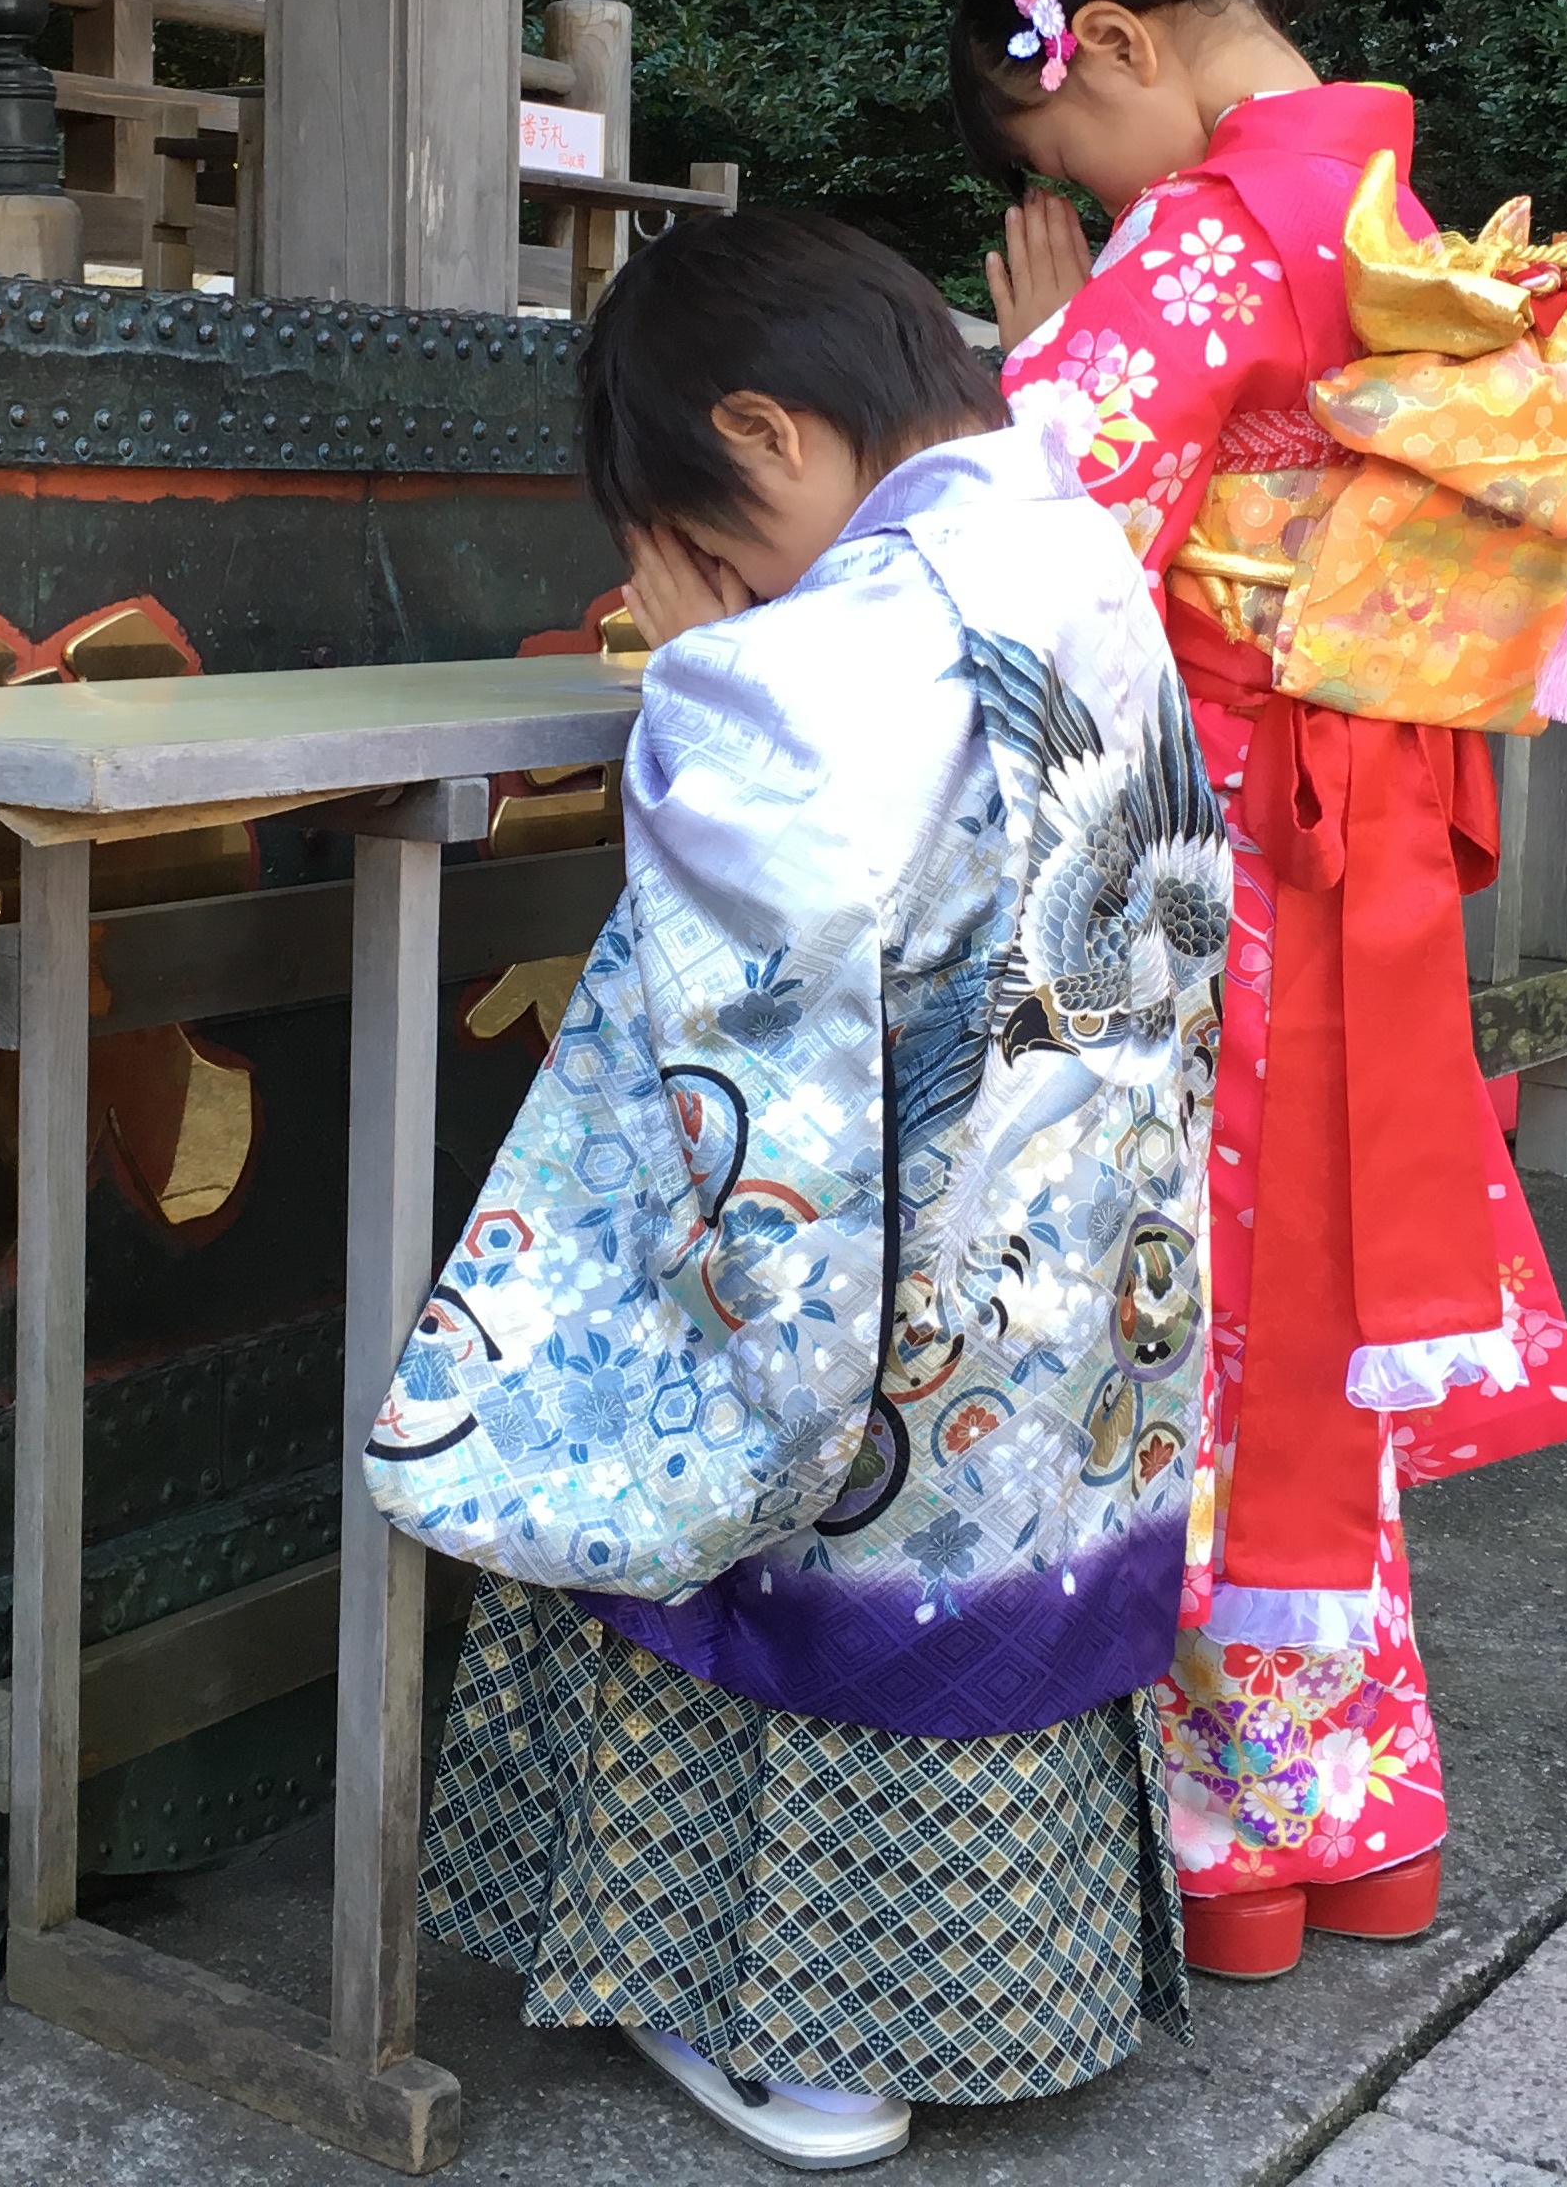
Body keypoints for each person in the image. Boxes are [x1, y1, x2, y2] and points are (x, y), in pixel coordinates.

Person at [368, 207, 1232, 2173]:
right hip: (1084, 1243)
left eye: (707, 545)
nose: (722, 592)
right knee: (1010, 1536)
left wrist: (711, 656)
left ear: (764, 432)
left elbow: (746, 1017)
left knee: (749, 1488)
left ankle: (809, 2041)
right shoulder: (1078, 547)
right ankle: (1012, 1986)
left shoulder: (809, 659)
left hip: (896, 1269)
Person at [961, 0, 1567, 1981]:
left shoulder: (1215, 239)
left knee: (1213, 1319)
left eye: (1064, 154)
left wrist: (1036, 354)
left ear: (1117, 45)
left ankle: (1236, 1842)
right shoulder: (1395, 201)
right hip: (1362, 838)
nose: (1083, 198)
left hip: (1227, 844)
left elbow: (1034, 538)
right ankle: (1364, 1822)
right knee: (1314, 1328)